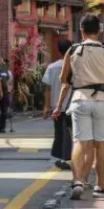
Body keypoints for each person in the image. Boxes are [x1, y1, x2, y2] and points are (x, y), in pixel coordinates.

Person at [53, 14, 104, 199]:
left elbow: (63, 80)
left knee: (80, 141)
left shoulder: (72, 49)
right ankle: (100, 186)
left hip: (80, 99)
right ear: (99, 30)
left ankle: (78, 181)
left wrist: (59, 104)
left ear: (81, 30)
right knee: (101, 146)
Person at [43, 40, 74, 171]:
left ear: (58, 50)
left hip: (56, 105)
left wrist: (46, 106)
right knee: (70, 133)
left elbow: (47, 89)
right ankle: (66, 158)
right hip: (72, 104)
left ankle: (61, 157)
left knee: (59, 133)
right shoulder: (75, 66)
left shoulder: (52, 67)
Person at [0, 54, 12, 133]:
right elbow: (4, 81)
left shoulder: (3, 68)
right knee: (3, 109)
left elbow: (8, 80)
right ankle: (1, 127)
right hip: (3, 90)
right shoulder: (3, 68)